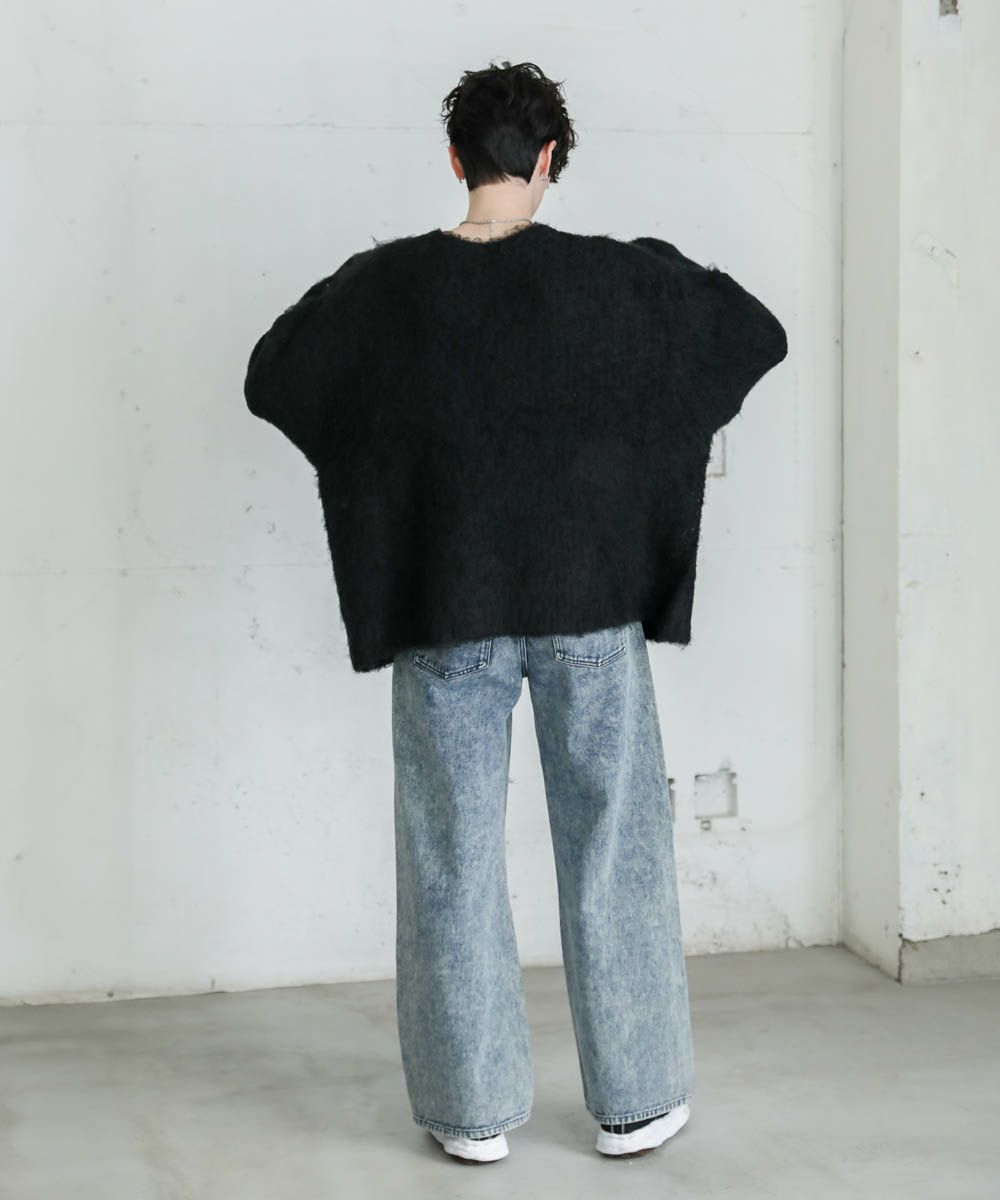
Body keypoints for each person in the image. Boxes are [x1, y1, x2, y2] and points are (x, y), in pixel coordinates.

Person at [243, 59, 788, 1164]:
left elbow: (276, 373)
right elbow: (750, 331)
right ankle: (636, 1100)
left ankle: (468, 1111)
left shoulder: (386, 287)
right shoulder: (616, 280)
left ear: (455, 159)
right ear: (547, 160)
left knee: (450, 854)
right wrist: (649, 286)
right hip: (590, 607)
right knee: (614, 846)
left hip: (446, 607)